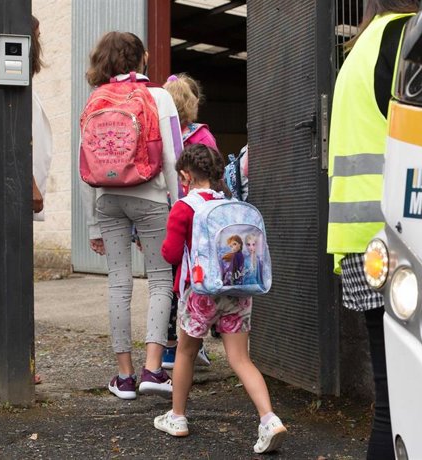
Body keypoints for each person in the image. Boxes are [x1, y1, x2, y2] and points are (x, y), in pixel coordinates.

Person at [327, 1, 422, 458]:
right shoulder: (405, 36)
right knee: (408, 406)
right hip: (395, 240)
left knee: (391, 402)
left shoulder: (358, 50)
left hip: (357, 245)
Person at [154, 144, 287, 454]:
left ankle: (177, 417)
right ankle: (269, 419)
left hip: (201, 292)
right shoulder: (233, 204)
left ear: (185, 175)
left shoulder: (185, 207)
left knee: (186, 352)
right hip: (238, 290)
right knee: (240, 359)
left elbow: (172, 253)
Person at [79, 31, 183, 400]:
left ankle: (123, 377)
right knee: (158, 280)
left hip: (108, 199)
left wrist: (92, 222)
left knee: (118, 284)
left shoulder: (96, 99)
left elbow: (85, 161)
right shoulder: (159, 97)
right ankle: (153, 369)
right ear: (142, 59)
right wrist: (179, 204)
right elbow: (174, 156)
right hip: (151, 197)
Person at [160, 73, 217, 370]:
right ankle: (193, 341)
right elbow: (216, 170)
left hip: (172, 214)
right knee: (198, 278)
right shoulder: (203, 136)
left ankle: (175, 345)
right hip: (200, 220)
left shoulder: (161, 135)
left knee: (173, 281)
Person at [31, 14, 52, 385]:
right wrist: (31, 186)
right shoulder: (17, 81)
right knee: (17, 278)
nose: (40, 40)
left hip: (24, 191)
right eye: (36, 33)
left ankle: (24, 360)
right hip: (20, 192)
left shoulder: (27, 82)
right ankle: (21, 362)